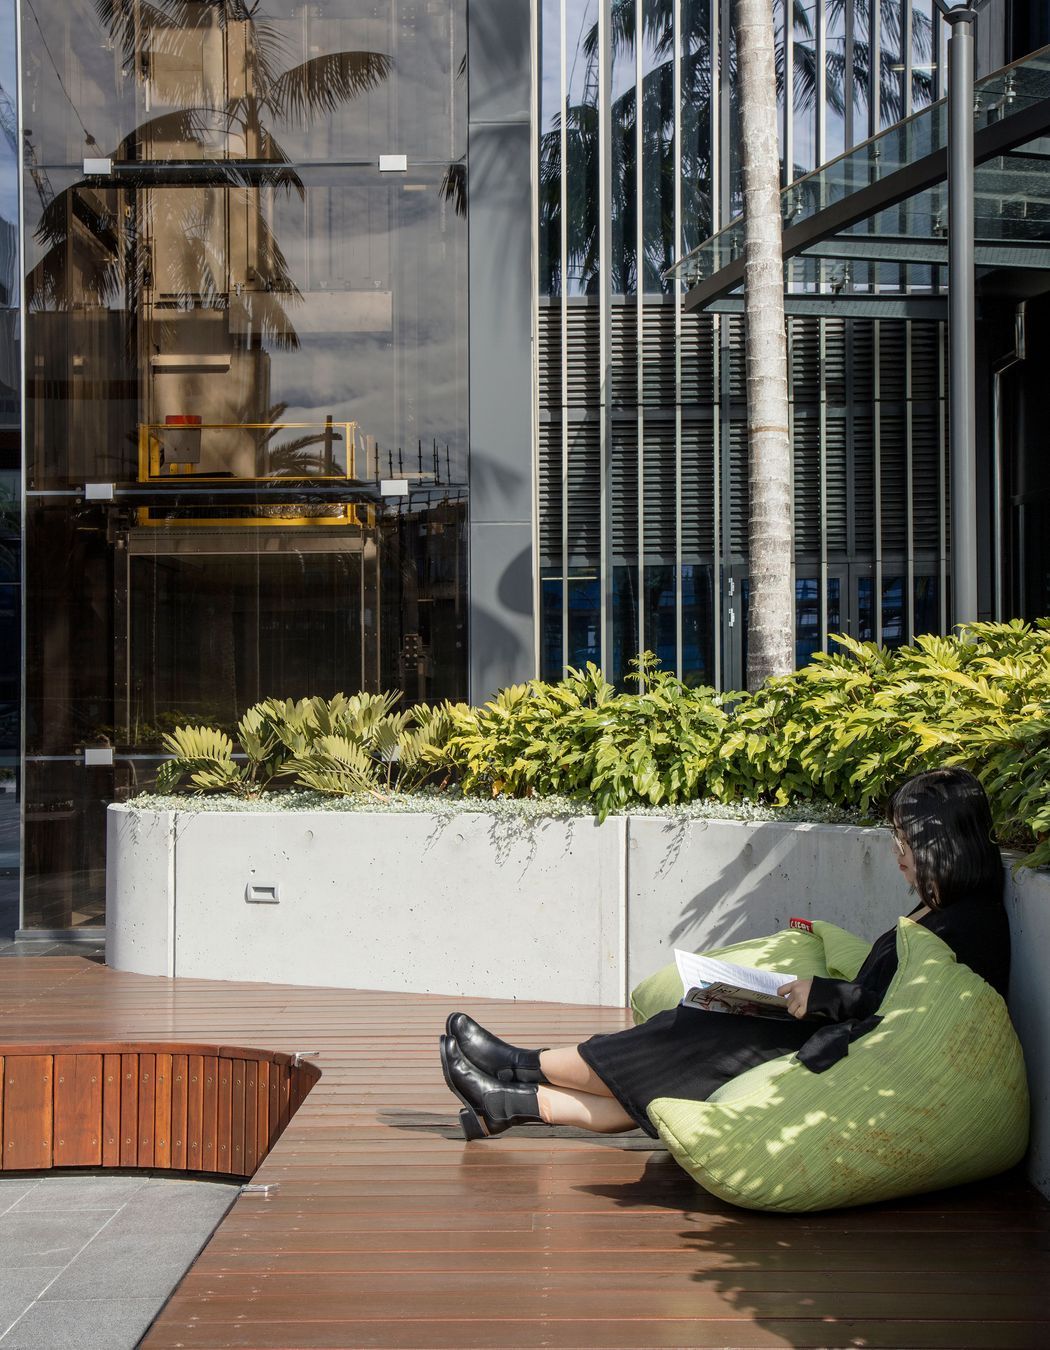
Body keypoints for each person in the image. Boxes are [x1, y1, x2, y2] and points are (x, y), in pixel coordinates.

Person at [438, 767, 1011, 1140]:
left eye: (907, 843)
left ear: (945, 844)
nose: (898, 854)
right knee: (684, 1035)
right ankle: (511, 1097)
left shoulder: (970, 924)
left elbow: (906, 1015)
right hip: (827, 1037)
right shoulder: (945, 907)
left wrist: (825, 995)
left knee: (687, 1038)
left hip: (837, 1060)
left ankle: (516, 1069)